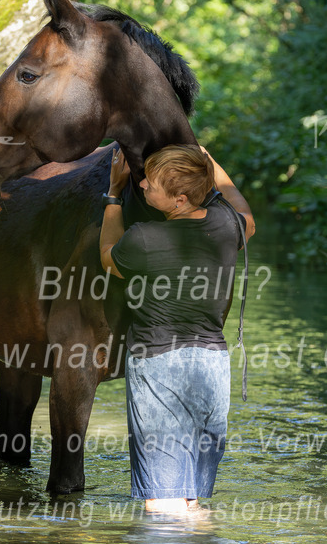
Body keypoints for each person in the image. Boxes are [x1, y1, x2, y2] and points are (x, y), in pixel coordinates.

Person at [99, 144, 255, 514]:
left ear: (179, 200)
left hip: (159, 367)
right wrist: (210, 162)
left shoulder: (143, 239)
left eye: (151, 184)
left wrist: (113, 194)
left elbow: (108, 256)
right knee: (191, 500)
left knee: (163, 504)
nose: (143, 185)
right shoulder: (224, 225)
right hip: (212, 368)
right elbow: (246, 213)